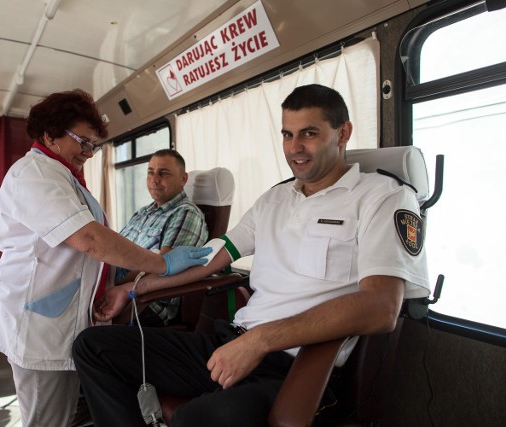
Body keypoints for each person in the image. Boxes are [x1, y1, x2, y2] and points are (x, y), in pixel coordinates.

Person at [72, 84, 431, 426]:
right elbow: (212, 257)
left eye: (309, 133)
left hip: (295, 364)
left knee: (196, 419)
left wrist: (260, 341)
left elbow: (381, 307)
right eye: (287, 135)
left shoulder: (383, 197)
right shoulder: (274, 198)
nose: (295, 148)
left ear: (343, 133)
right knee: (93, 347)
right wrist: (134, 289)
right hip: (233, 339)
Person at [0, 89, 211, 427]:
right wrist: (162, 264)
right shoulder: (36, 175)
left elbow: (96, 244)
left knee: (58, 415)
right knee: (45, 419)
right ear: (49, 133)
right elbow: (89, 239)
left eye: (92, 145)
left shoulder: (63, 175)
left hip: (63, 313)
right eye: (82, 142)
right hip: (40, 321)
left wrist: (123, 288)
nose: (88, 152)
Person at [116, 149, 208, 327]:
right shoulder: (143, 212)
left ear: (183, 179)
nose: (154, 180)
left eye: (163, 173)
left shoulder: (186, 213)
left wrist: (113, 282)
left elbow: (164, 267)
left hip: (147, 302)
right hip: (120, 287)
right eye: (151, 172)